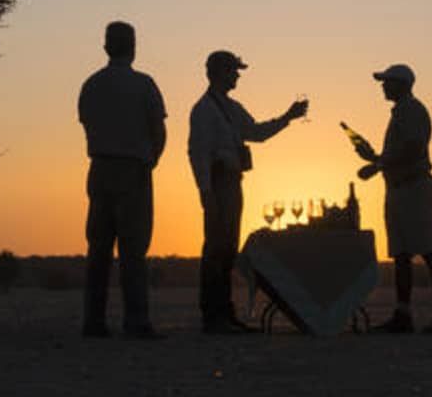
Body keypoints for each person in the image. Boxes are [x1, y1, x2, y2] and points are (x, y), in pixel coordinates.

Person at [188, 50, 307, 334]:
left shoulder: (230, 107)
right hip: (218, 184)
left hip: (232, 182)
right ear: (220, 72)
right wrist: (206, 193)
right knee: (216, 249)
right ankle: (213, 316)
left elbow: (256, 132)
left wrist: (287, 117)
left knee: (227, 249)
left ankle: (224, 315)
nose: (238, 75)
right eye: (234, 70)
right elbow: (198, 153)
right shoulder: (204, 110)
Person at [76, 21, 168, 339]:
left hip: (100, 168)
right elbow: (159, 131)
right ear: (133, 47)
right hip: (133, 170)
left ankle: (93, 320)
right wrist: (149, 161)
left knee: (98, 248)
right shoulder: (144, 85)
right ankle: (137, 320)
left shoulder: (91, 85)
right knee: (133, 249)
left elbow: (87, 123)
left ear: (106, 47)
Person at [351, 64, 432, 334]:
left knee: (428, 250)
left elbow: (413, 148)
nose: (383, 86)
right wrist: (374, 157)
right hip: (400, 188)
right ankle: (403, 314)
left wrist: (376, 165)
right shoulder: (403, 112)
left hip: (414, 188)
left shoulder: (412, 110)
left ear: (402, 84)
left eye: (387, 82)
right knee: (401, 254)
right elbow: (400, 152)